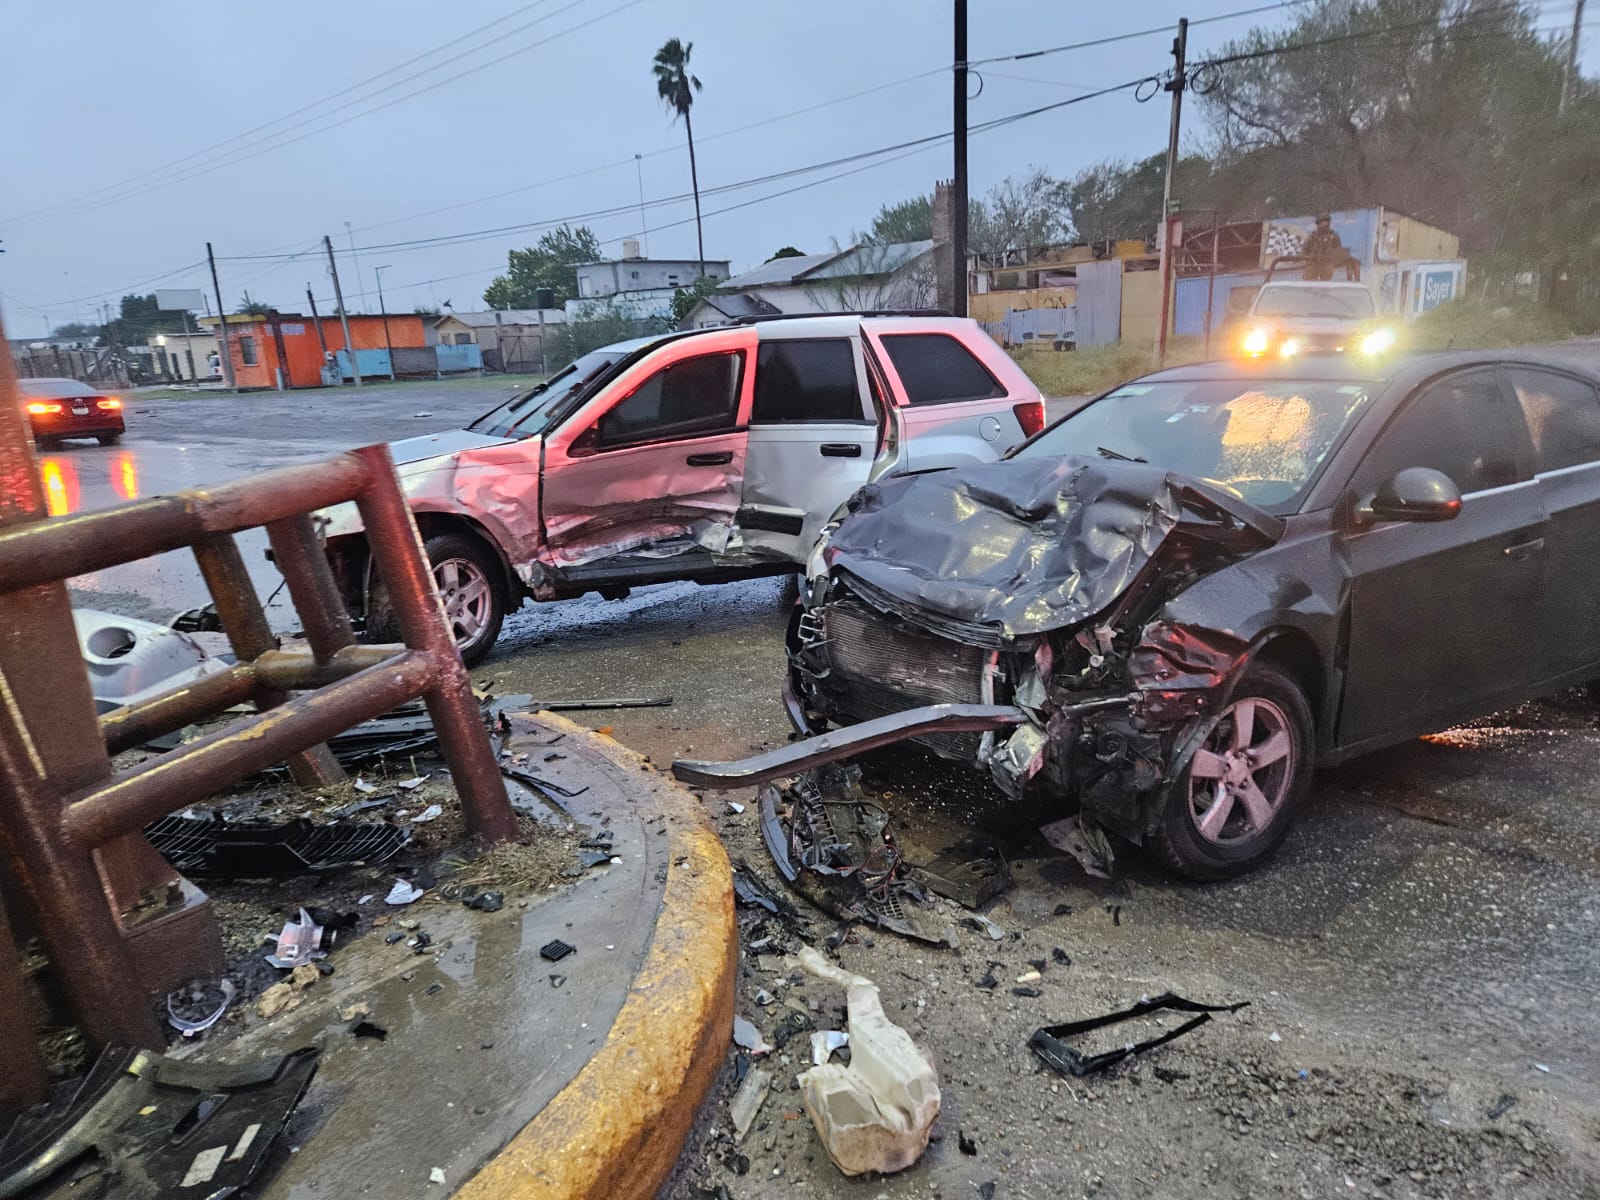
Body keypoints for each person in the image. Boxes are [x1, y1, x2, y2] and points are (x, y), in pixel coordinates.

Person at [1302, 214, 1348, 281]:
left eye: (1326, 221)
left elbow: (1339, 251)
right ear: (1318, 224)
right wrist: (1305, 260)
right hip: (1312, 263)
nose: (1325, 224)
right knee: (1309, 282)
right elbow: (1304, 249)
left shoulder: (1334, 236)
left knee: (1325, 282)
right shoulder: (1312, 236)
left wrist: (1335, 260)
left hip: (1326, 264)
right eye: (1322, 222)